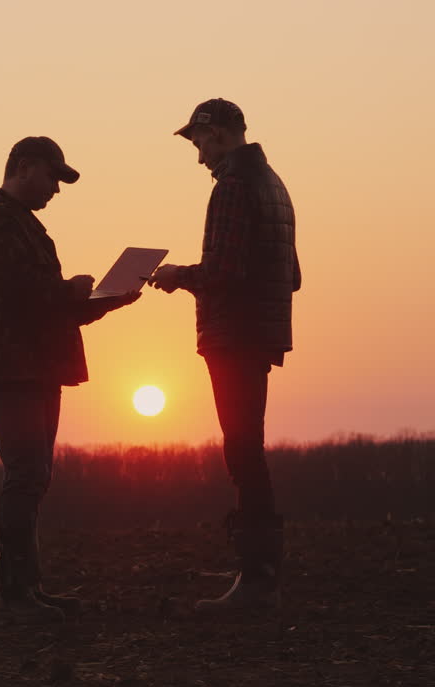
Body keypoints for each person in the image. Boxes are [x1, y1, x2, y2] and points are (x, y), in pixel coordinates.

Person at [0, 136, 141, 623]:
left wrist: (109, 298)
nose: (56, 190)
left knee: (34, 477)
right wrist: (73, 289)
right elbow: (20, 297)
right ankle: (12, 596)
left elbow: (51, 310)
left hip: (36, 368)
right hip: (9, 369)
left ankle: (26, 590)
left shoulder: (25, 227)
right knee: (26, 475)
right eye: (51, 178)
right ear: (22, 168)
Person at [149, 99, 301, 613]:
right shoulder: (273, 185)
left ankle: (257, 578)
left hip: (234, 336)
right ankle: (259, 572)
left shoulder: (233, 188)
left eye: (198, 142)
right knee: (247, 448)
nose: (198, 156)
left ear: (216, 134)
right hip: (260, 334)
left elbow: (225, 274)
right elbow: (292, 275)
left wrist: (178, 276)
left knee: (242, 452)